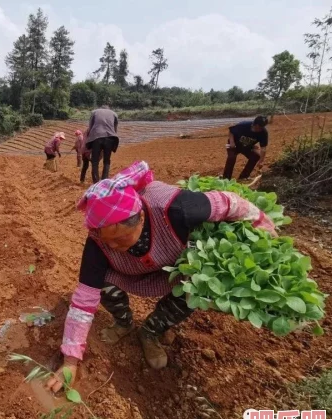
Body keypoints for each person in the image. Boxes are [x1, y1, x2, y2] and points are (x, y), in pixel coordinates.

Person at [45, 161, 277, 393]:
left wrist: (266, 233)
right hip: (128, 271)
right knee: (102, 284)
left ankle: (151, 332)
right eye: (108, 241)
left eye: (121, 239)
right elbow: (83, 302)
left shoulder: (178, 209)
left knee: (194, 290)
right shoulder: (97, 242)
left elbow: (230, 203)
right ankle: (123, 323)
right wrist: (70, 362)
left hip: (175, 265)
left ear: (141, 219)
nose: (113, 246)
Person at [223, 116, 269, 180]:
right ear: (254, 124)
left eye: (261, 128)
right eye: (257, 127)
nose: (259, 130)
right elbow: (231, 131)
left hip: (247, 147)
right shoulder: (244, 125)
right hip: (234, 145)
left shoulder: (263, 133)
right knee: (231, 157)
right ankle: (226, 178)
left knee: (255, 156)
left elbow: (263, 148)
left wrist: (261, 161)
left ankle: (243, 177)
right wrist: (231, 142)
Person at [86, 105, 119, 183]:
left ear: (101, 108)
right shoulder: (114, 114)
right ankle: (104, 180)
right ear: (108, 109)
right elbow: (115, 129)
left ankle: (96, 181)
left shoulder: (94, 112)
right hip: (110, 137)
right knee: (107, 160)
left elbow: (90, 127)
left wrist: (88, 139)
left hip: (97, 137)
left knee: (95, 161)